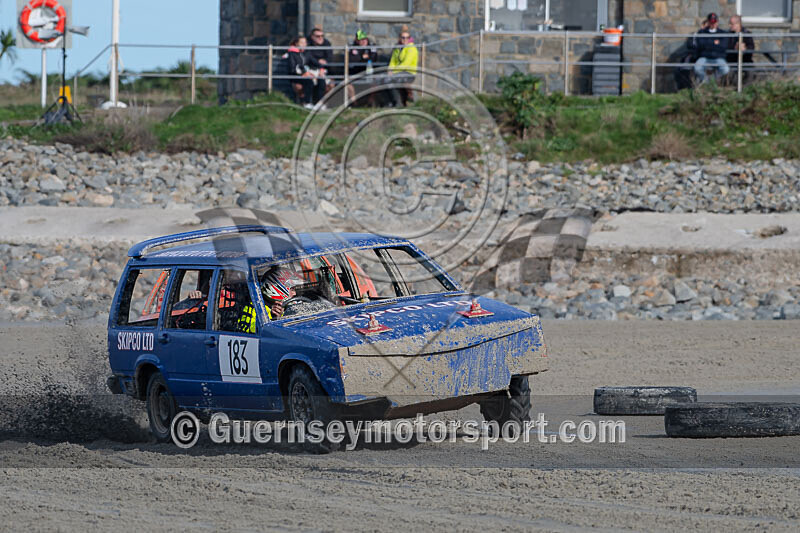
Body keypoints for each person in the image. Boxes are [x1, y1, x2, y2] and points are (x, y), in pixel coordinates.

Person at [286, 36, 325, 108]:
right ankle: (307, 103)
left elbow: (316, 63)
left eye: (305, 43)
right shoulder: (292, 53)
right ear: (296, 43)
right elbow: (293, 68)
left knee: (321, 81)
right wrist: (304, 73)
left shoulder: (307, 53)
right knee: (309, 82)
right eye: (301, 42)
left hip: (307, 74)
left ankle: (319, 103)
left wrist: (321, 69)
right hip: (296, 76)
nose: (304, 44)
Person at [693, 13, 731, 84]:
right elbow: (701, 44)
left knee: (725, 69)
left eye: (714, 22)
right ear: (708, 22)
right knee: (697, 68)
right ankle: (706, 81)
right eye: (711, 22)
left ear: (717, 22)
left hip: (718, 57)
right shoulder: (702, 32)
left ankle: (711, 80)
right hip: (704, 57)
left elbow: (723, 46)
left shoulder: (722, 33)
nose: (713, 24)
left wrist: (708, 42)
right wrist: (715, 42)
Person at [386, 28, 418, 107]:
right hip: (398, 72)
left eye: (407, 37)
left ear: (409, 38)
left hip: (409, 72)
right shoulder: (397, 48)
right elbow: (393, 61)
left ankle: (408, 99)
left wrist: (393, 72)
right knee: (386, 80)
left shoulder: (412, 48)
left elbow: (406, 64)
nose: (405, 39)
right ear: (400, 38)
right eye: (403, 37)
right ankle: (396, 102)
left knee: (393, 80)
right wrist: (390, 70)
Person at [347, 30, 378, 102]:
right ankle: (354, 103)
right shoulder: (352, 47)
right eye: (361, 39)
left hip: (368, 72)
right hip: (355, 72)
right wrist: (362, 57)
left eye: (365, 39)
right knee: (347, 83)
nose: (364, 41)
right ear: (357, 40)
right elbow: (352, 59)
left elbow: (374, 58)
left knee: (376, 83)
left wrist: (362, 58)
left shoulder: (371, 46)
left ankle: (370, 103)